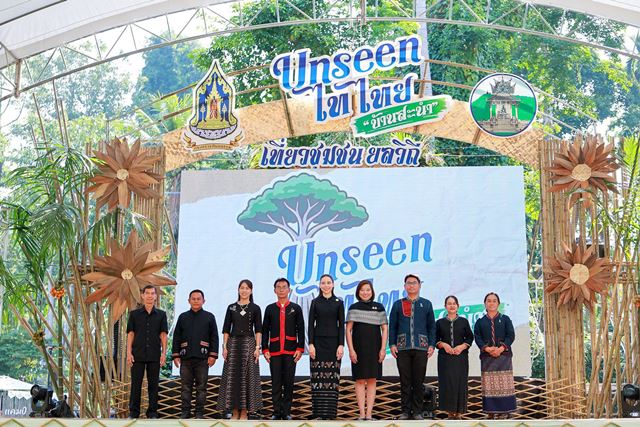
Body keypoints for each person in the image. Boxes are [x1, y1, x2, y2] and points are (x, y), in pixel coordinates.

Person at [388, 274, 436, 420]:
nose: (411, 285)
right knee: (405, 381)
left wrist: (432, 344)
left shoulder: (426, 304)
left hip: (422, 347)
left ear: (419, 285)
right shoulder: (398, 304)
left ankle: (417, 411)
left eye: (414, 283)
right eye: (408, 283)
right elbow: (392, 326)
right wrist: (392, 344)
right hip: (402, 348)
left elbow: (431, 326)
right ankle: (405, 411)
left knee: (418, 381)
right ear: (405, 286)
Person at [218, 280, 263, 420]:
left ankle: (244, 411)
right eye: (242, 288)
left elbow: (258, 330)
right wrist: (224, 347)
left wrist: (257, 347)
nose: (244, 290)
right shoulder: (231, 307)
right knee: (233, 378)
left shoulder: (255, 308)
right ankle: (234, 411)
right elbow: (226, 329)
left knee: (246, 378)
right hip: (233, 345)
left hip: (249, 344)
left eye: (247, 288)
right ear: (238, 290)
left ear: (251, 291)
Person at [262, 278, 305, 420]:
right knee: (275, 382)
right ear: (274, 290)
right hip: (274, 351)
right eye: (278, 287)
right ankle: (276, 412)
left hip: (291, 351)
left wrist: (300, 348)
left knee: (288, 382)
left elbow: (301, 329)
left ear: (289, 289)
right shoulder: (270, 309)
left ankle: (286, 412)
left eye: (284, 287)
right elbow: (265, 330)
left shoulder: (296, 308)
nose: (281, 289)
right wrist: (265, 349)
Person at [172, 289, 219, 419]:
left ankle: (199, 413)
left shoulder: (209, 317)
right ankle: (185, 412)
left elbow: (214, 337)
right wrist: (176, 355)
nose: (196, 301)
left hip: (203, 358)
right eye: (193, 299)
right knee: (185, 388)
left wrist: (213, 355)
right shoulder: (183, 317)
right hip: (185, 358)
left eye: (199, 299)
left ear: (204, 301)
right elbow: (176, 337)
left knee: (201, 388)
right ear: (189, 301)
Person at [345, 280, 388, 421]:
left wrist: (383, 349)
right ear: (358, 292)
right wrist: (351, 350)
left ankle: (369, 414)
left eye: (368, 290)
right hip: (358, 349)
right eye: (362, 290)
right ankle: (361, 414)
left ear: (372, 291)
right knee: (359, 380)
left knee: (372, 380)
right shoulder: (353, 307)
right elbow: (348, 330)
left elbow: (385, 329)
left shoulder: (379, 307)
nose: (365, 292)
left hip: (375, 349)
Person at [126, 285, 168, 419]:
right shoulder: (134, 314)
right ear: (143, 296)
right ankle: (134, 412)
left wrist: (163, 353)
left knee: (153, 385)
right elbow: (130, 334)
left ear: (156, 296)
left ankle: (153, 412)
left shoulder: (161, 315)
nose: (150, 296)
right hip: (137, 354)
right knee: (136, 384)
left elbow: (163, 335)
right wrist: (128, 353)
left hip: (154, 354)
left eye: (152, 293)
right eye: (147, 293)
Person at [474, 292, 516, 418]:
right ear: (485, 304)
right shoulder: (480, 322)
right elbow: (477, 338)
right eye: (489, 301)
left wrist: (501, 348)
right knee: (489, 385)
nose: (491, 303)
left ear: (498, 304)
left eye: (494, 301)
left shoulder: (505, 319)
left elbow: (511, 335)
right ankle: (491, 413)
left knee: (505, 384)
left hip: (504, 357)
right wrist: (487, 349)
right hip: (487, 358)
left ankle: (504, 412)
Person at [308, 274, 345, 419]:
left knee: (332, 378)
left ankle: (330, 413)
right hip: (318, 344)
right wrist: (311, 344)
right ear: (319, 285)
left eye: (329, 282)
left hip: (334, 344)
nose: (326, 285)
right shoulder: (315, 302)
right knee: (318, 377)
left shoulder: (339, 302)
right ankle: (318, 413)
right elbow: (310, 325)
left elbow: (341, 326)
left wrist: (341, 345)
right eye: (323, 283)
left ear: (333, 285)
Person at [435, 295, 474, 419]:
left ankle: (459, 413)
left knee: (460, 384)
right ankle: (450, 413)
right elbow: (435, 339)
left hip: (460, 358)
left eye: (454, 303)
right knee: (447, 384)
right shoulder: (439, 323)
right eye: (449, 303)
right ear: (445, 306)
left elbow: (470, 337)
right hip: (445, 359)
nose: (452, 306)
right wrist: (443, 345)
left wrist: (462, 347)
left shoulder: (464, 321)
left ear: (458, 306)